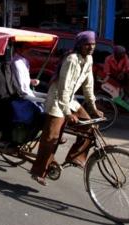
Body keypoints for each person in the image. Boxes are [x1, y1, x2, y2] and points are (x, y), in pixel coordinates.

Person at [30, 31, 103, 186]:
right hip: (57, 99)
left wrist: (93, 107)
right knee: (52, 137)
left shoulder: (89, 59)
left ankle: (75, 157)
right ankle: (39, 171)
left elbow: (88, 86)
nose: (91, 47)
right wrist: (67, 113)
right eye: (87, 44)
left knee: (89, 125)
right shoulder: (71, 59)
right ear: (80, 45)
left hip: (70, 99)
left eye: (93, 44)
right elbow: (63, 88)